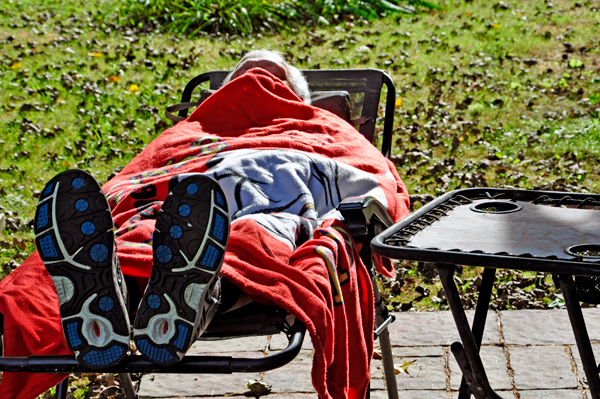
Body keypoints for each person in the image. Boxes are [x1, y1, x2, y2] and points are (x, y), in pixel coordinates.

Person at [0, 50, 410, 399]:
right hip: (170, 215)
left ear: (298, 98)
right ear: (223, 94)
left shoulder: (326, 128)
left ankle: (161, 295)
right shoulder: (190, 132)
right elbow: (138, 179)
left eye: (274, 76)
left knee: (250, 242)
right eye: (245, 74)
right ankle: (126, 295)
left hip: (272, 214)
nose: (257, 80)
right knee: (144, 238)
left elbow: (375, 185)